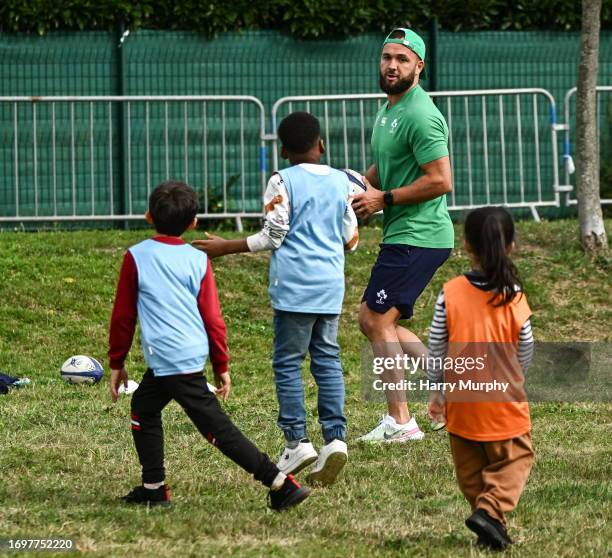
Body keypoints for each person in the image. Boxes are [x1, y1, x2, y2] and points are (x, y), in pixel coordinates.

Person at [108, 180, 310, 511]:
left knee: (217, 428)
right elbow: (213, 319)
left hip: (172, 360)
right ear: (193, 223)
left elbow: (123, 317)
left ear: (148, 216)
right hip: (183, 356)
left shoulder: (136, 256)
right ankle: (153, 488)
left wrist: (117, 362)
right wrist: (221, 365)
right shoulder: (197, 259)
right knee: (144, 407)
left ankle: (280, 483)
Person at [192, 112, 359, 486]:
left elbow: (274, 234)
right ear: (322, 145)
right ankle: (335, 438)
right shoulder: (341, 181)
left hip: (294, 289)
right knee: (328, 359)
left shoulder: (281, 180)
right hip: (330, 288)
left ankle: (297, 441)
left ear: (283, 151)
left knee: (288, 362)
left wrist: (226, 247)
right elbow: (352, 239)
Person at [352, 28, 454, 442]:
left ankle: (401, 421)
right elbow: (384, 166)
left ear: (419, 66)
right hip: (407, 233)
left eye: (402, 59)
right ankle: (447, 385)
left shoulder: (420, 114)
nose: (392, 65)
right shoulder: (389, 109)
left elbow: (441, 180)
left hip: (420, 234)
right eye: (387, 57)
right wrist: (356, 189)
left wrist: (384, 199)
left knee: (374, 319)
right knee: (379, 322)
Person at [427, 206, 535, 550]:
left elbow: (437, 344)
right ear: (511, 246)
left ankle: (490, 526)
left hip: (462, 400)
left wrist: (437, 388)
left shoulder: (451, 291)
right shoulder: (512, 294)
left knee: (471, 471)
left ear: (467, 245)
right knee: (515, 458)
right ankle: (490, 511)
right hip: (503, 400)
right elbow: (526, 344)